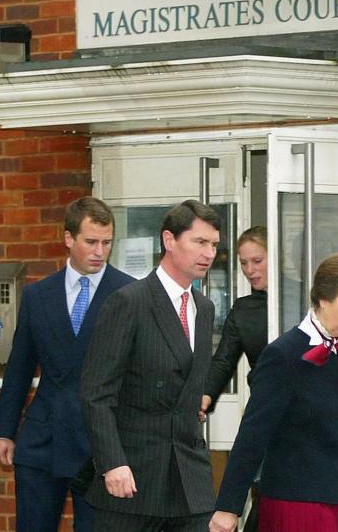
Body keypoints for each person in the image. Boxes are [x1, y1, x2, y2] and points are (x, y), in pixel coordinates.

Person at [0, 196, 135, 532]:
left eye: (107, 243)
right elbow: (19, 368)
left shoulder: (129, 293)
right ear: (69, 239)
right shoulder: (39, 294)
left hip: (101, 443)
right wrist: (3, 431)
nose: (99, 251)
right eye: (91, 242)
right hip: (44, 438)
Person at [209, 252, 338, 532]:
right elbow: (253, 433)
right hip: (293, 499)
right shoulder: (283, 354)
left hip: (332, 499)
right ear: (323, 298)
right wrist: (228, 507)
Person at [81, 199, 221, 531]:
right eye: (200, 242)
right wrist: (112, 463)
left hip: (189, 480)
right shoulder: (129, 302)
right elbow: (95, 393)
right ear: (169, 240)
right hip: (133, 478)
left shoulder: (204, 308)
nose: (209, 253)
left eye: (214, 244)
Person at [200, 225, 268, 532]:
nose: (250, 270)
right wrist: (204, 397)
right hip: (264, 412)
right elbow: (223, 360)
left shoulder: (304, 299)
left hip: (300, 416)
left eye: (257, 261)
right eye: (244, 263)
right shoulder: (243, 309)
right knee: (260, 491)